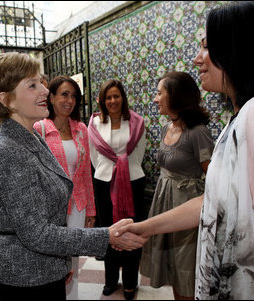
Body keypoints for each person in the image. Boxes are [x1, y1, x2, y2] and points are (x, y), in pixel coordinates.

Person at [116, 2, 254, 300]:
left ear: (238, 49)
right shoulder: (244, 117)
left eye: (206, 47)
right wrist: (145, 228)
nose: (197, 58)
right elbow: (215, 201)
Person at [0, 52, 145, 300]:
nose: (45, 91)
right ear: (7, 100)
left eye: (41, 82)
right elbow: (37, 233)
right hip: (25, 276)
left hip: (44, 269)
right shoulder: (11, 151)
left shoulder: (28, 136)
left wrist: (60, 262)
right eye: (32, 85)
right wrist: (105, 236)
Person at [141, 71, 214, 300]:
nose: (155, 99)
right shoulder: (167, 128)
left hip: (186, 207)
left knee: (185, 267)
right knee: (172, 266)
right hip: (164, 203)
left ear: (176, 96)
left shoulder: (197, 132)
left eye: (159, 93)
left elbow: (212, 176)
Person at [33, 75, 96, 300]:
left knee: (72, 261)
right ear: (51, 97)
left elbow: (87, 172)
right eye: (63, 94)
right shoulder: (39, 129)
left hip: (78, 205)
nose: (69, 100)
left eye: (73, 96)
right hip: (51, 209)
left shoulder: (81, 129)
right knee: (52, 260)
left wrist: (91, 209)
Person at [88, 79, 147, 300]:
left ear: (123, 98)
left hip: (132, 180)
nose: (112, 101)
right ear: (102, 101)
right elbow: (95, 156)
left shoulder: (137, 122)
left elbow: (138, 154)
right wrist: (110, 169)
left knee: (131, 230)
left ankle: (131, 282)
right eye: (108, 97)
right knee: (108, 232)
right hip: (103, 182)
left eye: (116, 96)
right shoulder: (94, 124)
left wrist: (123, 170)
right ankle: (111, 280)